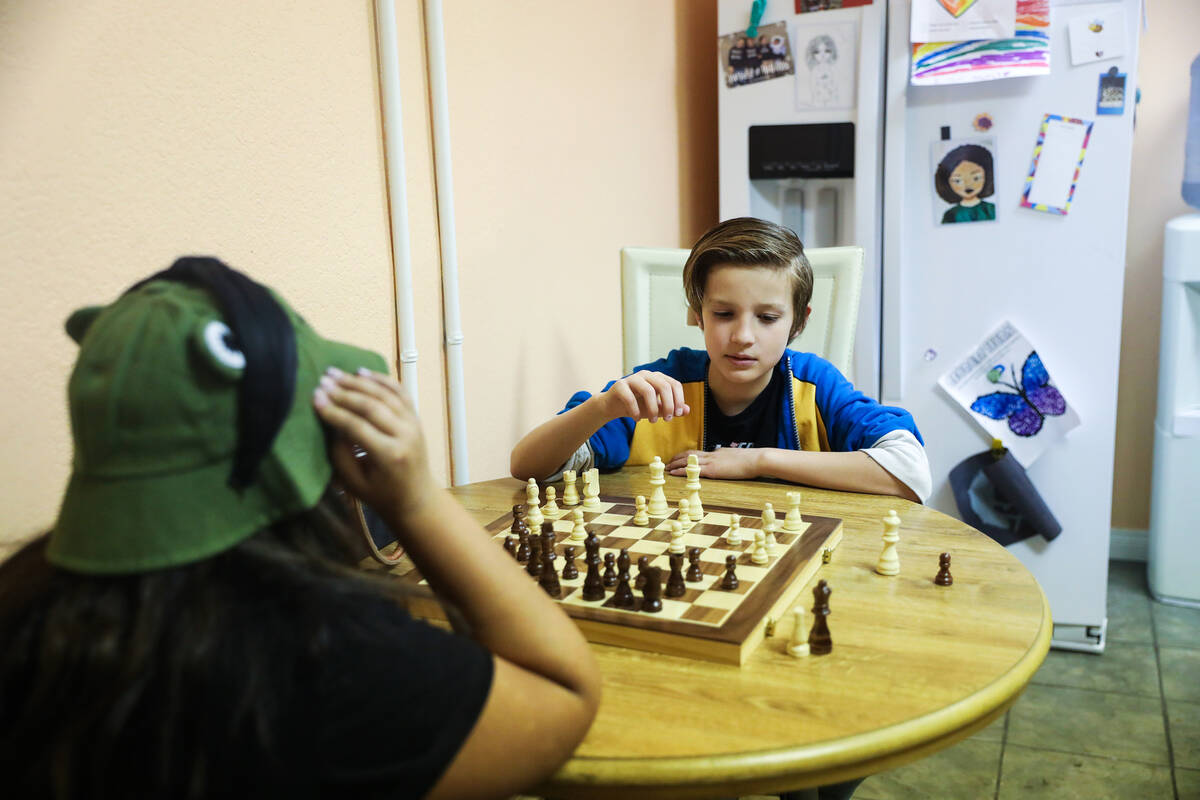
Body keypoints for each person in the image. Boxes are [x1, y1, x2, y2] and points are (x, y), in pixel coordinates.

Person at [0, 257, 601, 799]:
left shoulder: (21, 609)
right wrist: (416, 502)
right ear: (318, 447)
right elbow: (564, 691)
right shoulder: (334, 658)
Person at [510, 217, 931, 503]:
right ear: (696, 312)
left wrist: (756, 459)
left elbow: (911, 472)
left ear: (798, 324)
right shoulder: (657, 388)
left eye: (767, 318)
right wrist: (602, 408)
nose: (743, 337)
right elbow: (527, 467)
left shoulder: (815, 386)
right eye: (723, 314)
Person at [935, 143, 996, 224]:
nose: (968, 184)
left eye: (976, 178)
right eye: (958, 181)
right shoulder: (950, 215)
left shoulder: (991, 209)